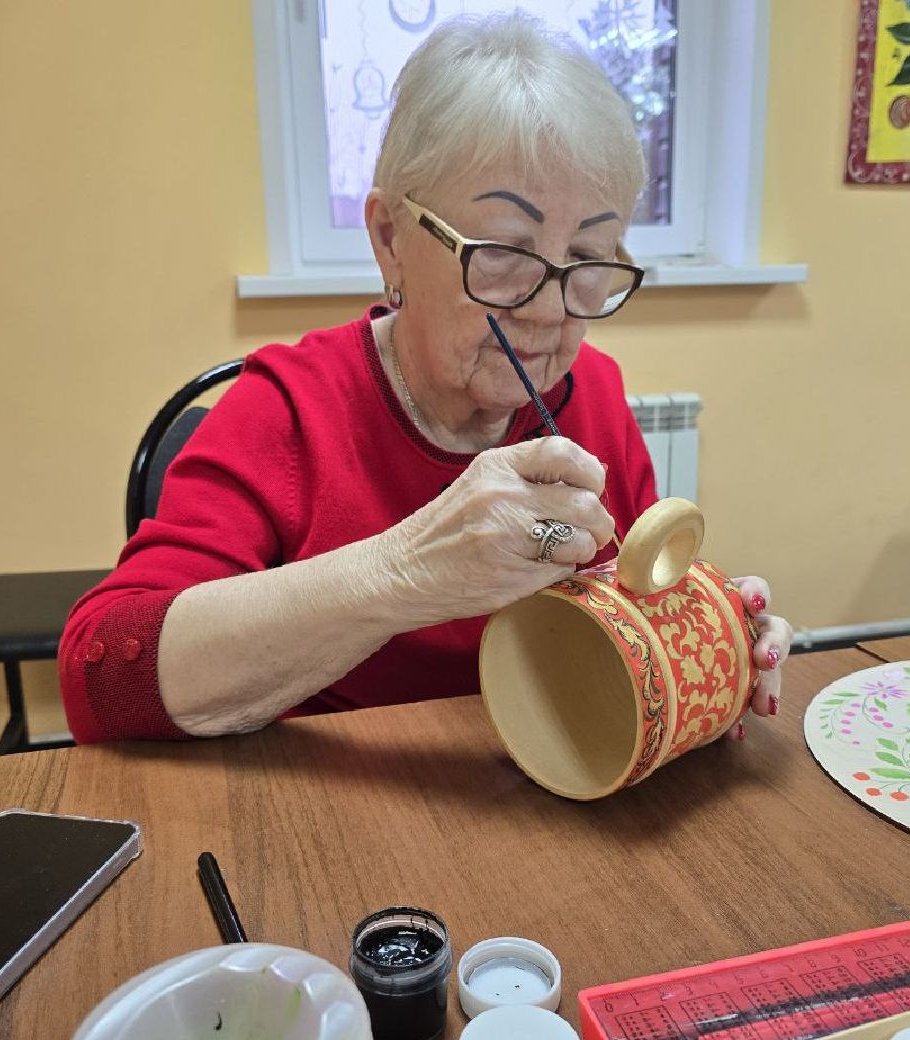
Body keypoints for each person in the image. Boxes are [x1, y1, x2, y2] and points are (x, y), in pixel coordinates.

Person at [59, 13, 791, 743]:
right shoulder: (291, 408)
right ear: (391, 240)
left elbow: (630, 616)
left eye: (590, 257)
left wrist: (706, 647)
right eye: (505, 251)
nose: (547, 310)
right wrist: (405, 572)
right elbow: (99, 682)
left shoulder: (592, 395)